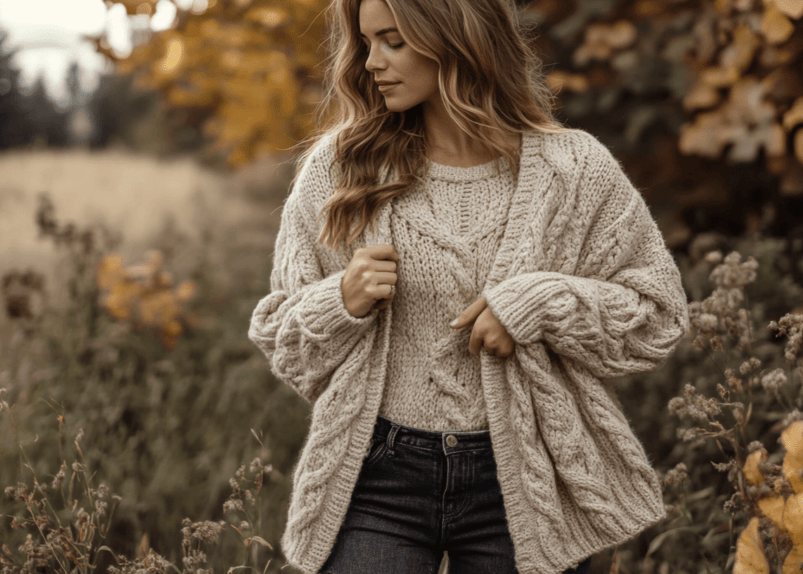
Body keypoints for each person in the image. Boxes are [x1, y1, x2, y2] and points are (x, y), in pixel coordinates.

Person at [247, 0, 690, 572]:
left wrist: (539, 303)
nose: (371, 62)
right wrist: (340, 302)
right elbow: (281, 337)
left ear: (454, 36)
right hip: (376, 478)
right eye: (367, 42)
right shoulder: (342, 167)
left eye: (393, 41)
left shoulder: (572, 168)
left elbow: (658, 315)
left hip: (527, 481)